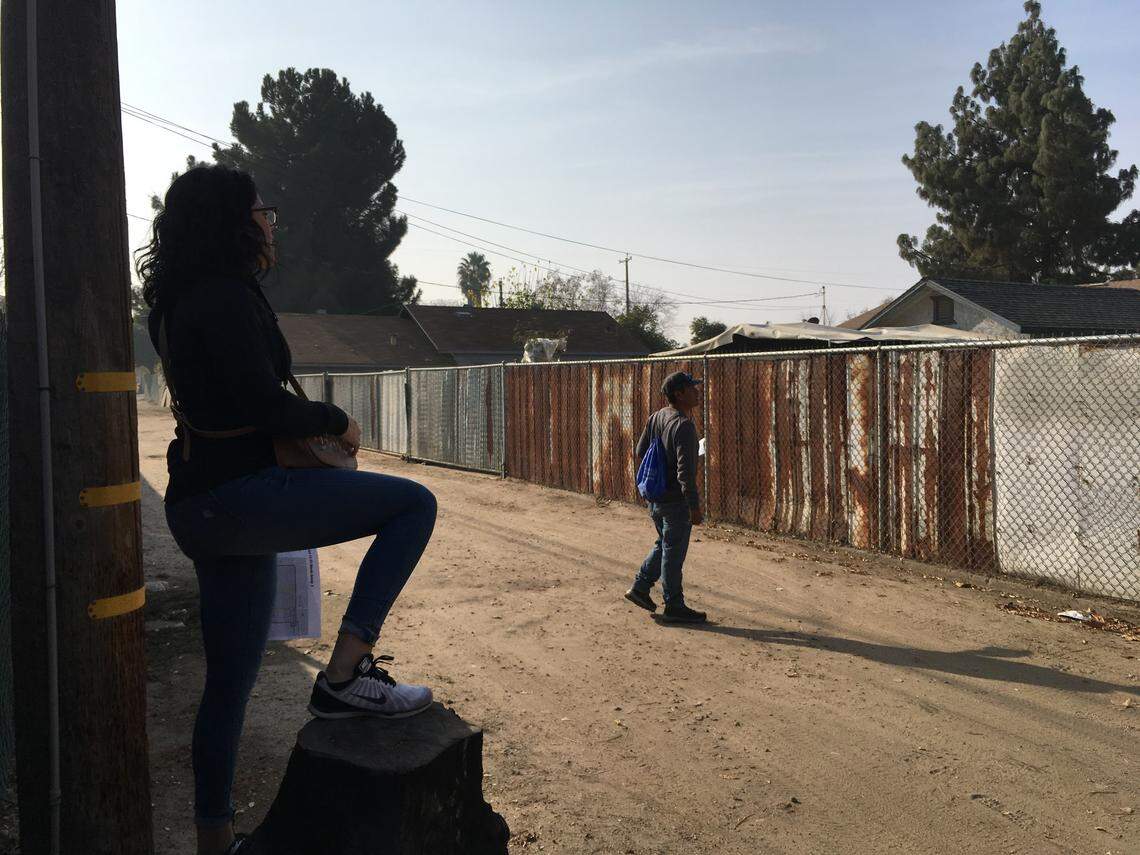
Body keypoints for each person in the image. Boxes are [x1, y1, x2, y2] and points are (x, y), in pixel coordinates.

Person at [138, 164, 438, 855]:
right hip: (240, 496)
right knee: (413, 505)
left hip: (204, 504)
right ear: (231, 220)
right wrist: (337, 417)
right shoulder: (222, 295)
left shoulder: (180, 296)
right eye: (261, 210)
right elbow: (262, 402)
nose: (270, 221)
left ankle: (215, 840)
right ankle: (345, 675)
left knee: (228, 687)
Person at [624, 371, 708, 623]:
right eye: (691, 388)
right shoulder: (683, 426)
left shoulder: (658, 416)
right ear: (679, 394)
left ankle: (640, 588)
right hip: (676, 502)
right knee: (673, 552)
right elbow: (685, 472)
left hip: (656, 497)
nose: (697, 391)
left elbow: (641, 450)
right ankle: (673, 605)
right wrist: (694, 507)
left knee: (665, 544)